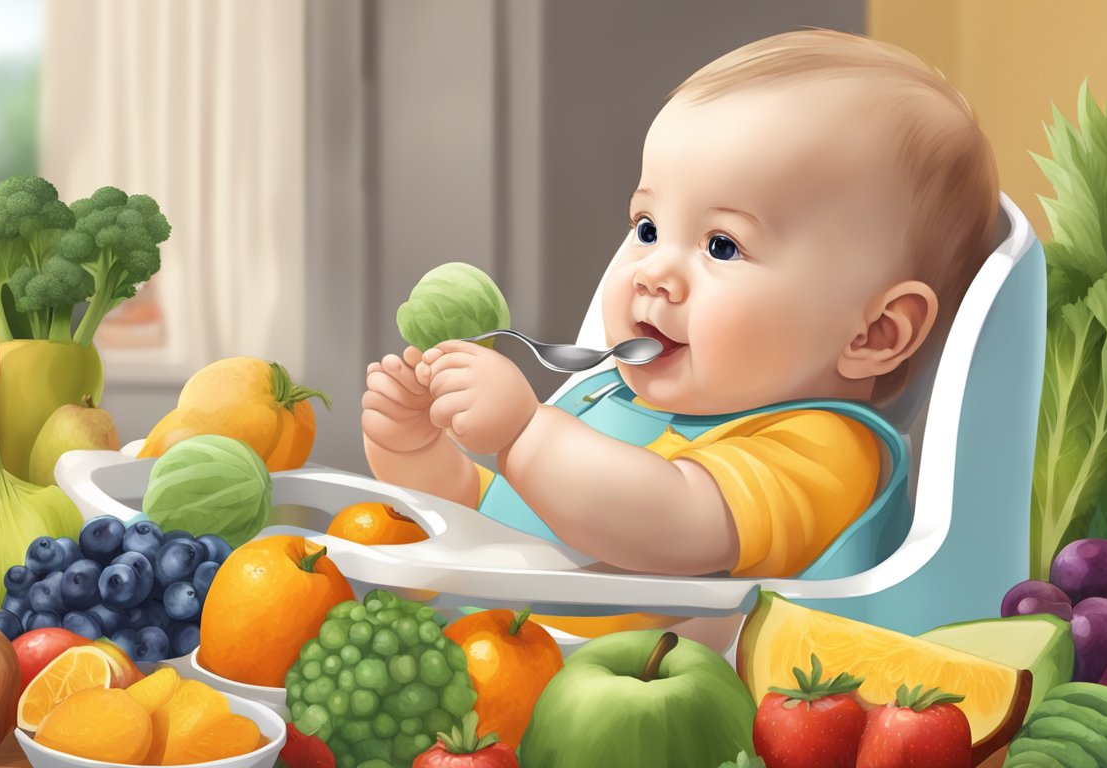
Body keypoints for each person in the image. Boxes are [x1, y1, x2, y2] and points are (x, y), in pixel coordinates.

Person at [361, 29, 998, 646]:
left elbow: (669, 522)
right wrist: (422, 457)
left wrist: (522, 433)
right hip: (490, 666)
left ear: (875, 333)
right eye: (646, 227)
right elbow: (505, 525)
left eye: (723, 245)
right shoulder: (609, 398)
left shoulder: (821, 448)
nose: (653, 273)